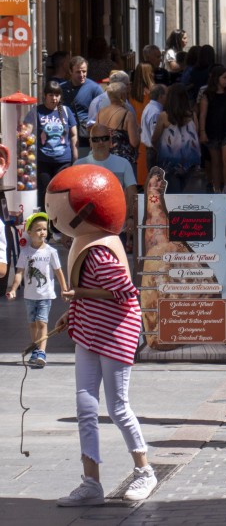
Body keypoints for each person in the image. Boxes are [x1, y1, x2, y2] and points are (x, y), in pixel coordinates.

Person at [47, 166, 157, 505]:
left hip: (114, 333)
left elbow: (125, 292)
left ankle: (144, 470)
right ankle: (90, 480)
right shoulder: (86, 241)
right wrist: (75, 309)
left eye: (58, 214)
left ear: (86, 213)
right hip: (89, 331)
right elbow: (94, 291)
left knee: (118, 405)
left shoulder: (99, 249)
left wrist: (80, 296)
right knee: (85, 404)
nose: (54, 222)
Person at [6, 213, 60, 367]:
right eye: (38, 230)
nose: (42, 232)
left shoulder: (51, 251)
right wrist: (14, 289)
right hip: (29, 296)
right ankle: (36, 347)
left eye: (44, 229)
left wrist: (64, 289)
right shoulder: (25, 253)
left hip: (45, 294)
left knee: (42, 322)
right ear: (29, 233)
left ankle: (42, 352)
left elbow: (58, 271)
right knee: (32, 324)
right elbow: (19, 273)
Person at [76, 125, 138, 236]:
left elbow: (132, 193)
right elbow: (72, 198)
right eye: (96, 139)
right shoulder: (79, 165)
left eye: (104, 138)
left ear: (110, 140)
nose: (100, 142)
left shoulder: (124, 164)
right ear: (90, 142)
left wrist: (131, 218)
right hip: (86, 228)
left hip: (116, 227)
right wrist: (69, 229)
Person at [31, 81, 78, 210]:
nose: (54, 98)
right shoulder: (37, 111)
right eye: (51, 95)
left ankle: (58, 224)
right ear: (45, 96)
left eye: (57, 95)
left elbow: (74, 134)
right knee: (45, 192)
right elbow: (27, 130)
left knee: (61, 192)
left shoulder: (66, 111)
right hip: (43, 161)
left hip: (63, 161)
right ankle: (45, 223)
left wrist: (75, 156)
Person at [153, 85, 202, 194]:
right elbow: (196, 136)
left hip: (169, 163)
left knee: (172, 195)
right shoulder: (193, 116)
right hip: (190, 162)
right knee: (188, 195)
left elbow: (155, 138)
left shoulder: (164, 116)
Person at [199, 66, 226, 194]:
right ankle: (217, 188)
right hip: (212, 132)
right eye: (224, 78)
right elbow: (202, 115)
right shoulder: (207, 95)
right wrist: (202, 132)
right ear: (216, 78)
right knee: (215, 161)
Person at [61, 56, 104, 152]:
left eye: (84, 71)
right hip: (66, 136)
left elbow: (103, 112)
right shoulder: (62, 89)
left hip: (85, 137)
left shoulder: (95, 89)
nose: (82, 75)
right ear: (70, 71)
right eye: (78, 72)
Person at [94, 81, 140, 169]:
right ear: (122, 96)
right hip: (122, 162)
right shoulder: (127, 114)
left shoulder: (100, 113)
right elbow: (134, 142)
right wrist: (138, 131)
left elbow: (95, 134)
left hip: (103, 160)